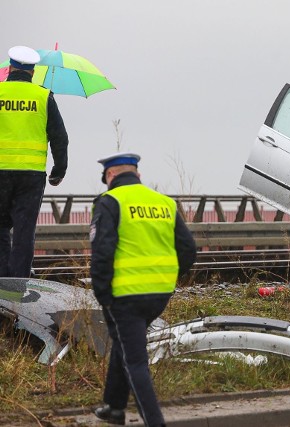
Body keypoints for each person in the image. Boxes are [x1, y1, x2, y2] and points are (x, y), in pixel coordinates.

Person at [90, 152, 196, 426]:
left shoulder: (110, 202)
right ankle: (113, 408)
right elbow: (188, 249)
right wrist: (169, 277)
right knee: (125, 343)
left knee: (134, 361)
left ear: (110, 176)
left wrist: (103, 294)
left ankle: (154, 421)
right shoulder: (164, 203)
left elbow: (102, 252)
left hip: (125, 296)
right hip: (159, 295)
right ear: (137, 175)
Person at [0, 45, 69, 277]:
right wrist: (58, 171)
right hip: (31, 176)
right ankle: (17, 287)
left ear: (10, 68)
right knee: (23, 230)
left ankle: (0, 280)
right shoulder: (43, 96)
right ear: (32, 72)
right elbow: (60, 137)